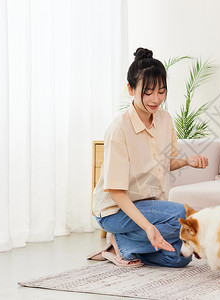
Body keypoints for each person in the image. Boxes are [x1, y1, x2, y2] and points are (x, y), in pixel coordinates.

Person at [89, 47, 209, 267]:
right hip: (115, 211)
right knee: (184, 216)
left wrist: (187, 161)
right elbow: (116, 192)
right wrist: (148, 228)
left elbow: (167, 162)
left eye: (161, 91)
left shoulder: (164, 119)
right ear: (130, 89)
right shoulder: (119, 129)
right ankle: (119, 237)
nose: (156, 99)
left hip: (148, 205)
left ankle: (125, 246)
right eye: (148, 92)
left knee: (179, 257)